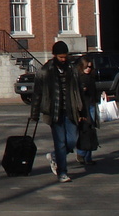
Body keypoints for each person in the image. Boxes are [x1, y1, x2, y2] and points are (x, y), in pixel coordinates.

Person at [30, 41, 84, 183]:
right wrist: (34, 113)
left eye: (65, 56)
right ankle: (63, 172)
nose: (63, 59)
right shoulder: (46, 70)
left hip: (71, 110)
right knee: (60, 142)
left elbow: (79, 91)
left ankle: (54, 156)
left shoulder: (72, 70)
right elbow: (37, 93)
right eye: (60, 57)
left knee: (72, 140)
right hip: (54, 112)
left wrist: (82, 111)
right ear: (55, 56)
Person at [75, 55, 100, 166]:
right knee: (84, 130)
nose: (88, 69)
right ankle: (81, 153)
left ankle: (88, 156)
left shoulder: (91, 77)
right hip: (83, 107)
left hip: (91, 105)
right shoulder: (79, 78)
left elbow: (94, 92)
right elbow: (77, 95)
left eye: (90, 67)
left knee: (91, 130)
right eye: (86, 67)